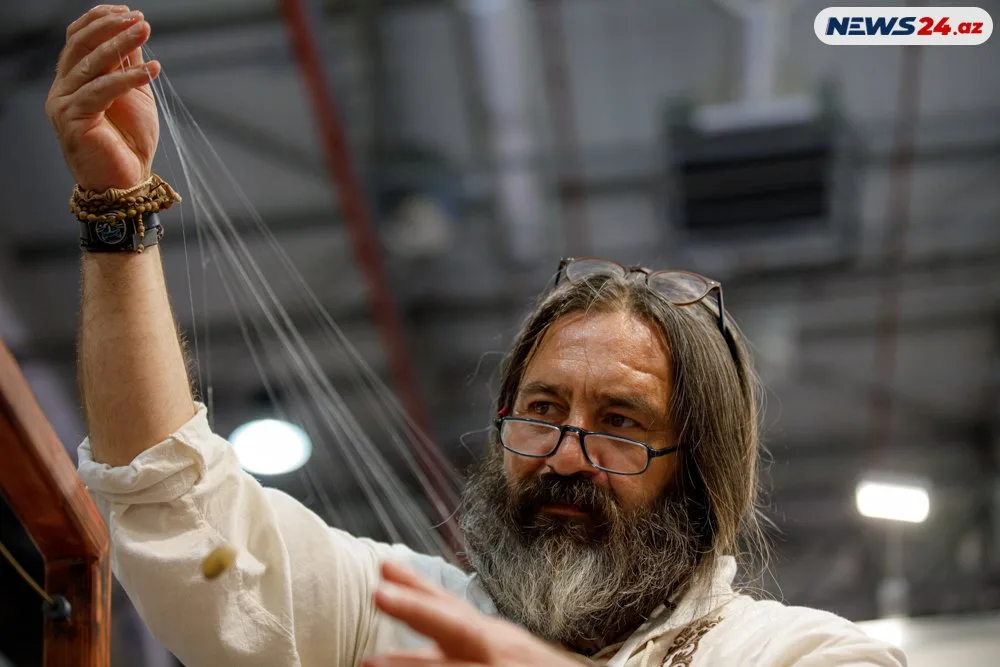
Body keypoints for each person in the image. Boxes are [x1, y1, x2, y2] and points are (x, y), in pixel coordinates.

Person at [48, 5, 906, 666]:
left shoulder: (786, 649)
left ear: (701, 470)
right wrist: (118, 215)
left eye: (619, 421)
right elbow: (174, 503)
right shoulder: (401, 614)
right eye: (542, 407)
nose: (566, 454)